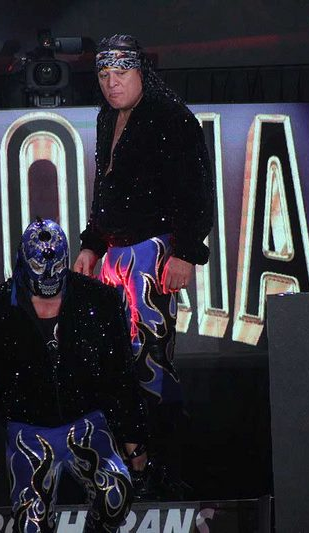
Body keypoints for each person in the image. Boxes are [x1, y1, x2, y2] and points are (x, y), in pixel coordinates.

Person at [73, 34, 215, 500]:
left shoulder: (171, 116)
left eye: (121, 73)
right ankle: (129, 462)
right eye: (104, 75)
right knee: (114, 359)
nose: (111, 83)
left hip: (154, 253)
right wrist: (92, 244)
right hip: (116, 254)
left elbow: (197, 189)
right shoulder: (107, 116)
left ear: (141, 72)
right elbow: (106, 187)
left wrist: (186, 252)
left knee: (152, 359)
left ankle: (164, 467)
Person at [0, 219, 148, 533]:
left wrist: (133, 438)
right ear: (23, 261)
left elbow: (120, 373)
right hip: (27, 430)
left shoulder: (98, 300)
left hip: (86, 423)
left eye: (55, 267)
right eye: (38, 267)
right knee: (32, 523)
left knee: (115, 494)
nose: (47, 276)